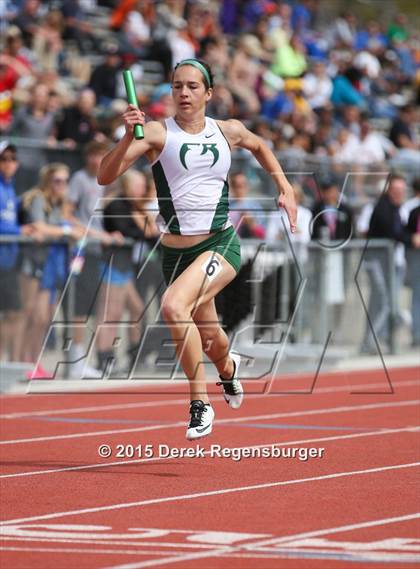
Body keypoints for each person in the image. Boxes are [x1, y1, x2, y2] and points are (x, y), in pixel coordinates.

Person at [98, 58, 297, 440]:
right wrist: (127, 137)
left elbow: (260, 147)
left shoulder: (228, 130)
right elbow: (104, 175)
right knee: (211, 337)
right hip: (175, 253)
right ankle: (228, 369)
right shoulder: (155, 133)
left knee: (173, 307)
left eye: (192, 86)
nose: (183, 93)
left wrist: (285, 188)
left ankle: (199, 403)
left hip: (219, 244)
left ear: (209, 93)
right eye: (177, 86)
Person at [96, 169, 158, 374]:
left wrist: (145, 224)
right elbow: (129, 231)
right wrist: (144, 229)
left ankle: (134, 355)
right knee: (110, 315)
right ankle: (104, 359)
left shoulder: (134, 206)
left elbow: (151, 237)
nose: (143, 190)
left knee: (137, 310)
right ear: (127, 185)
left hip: (125, 267)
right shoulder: (117, 205)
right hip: (112, 264)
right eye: (139, 185)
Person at [0, 141, 39, 361]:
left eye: (13, 159)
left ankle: (5, 361)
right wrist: (20, 229)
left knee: (13, 312)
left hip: (8, 262)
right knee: (11, 312)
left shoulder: (9, 187)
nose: (9, 163)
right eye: (4, 159)